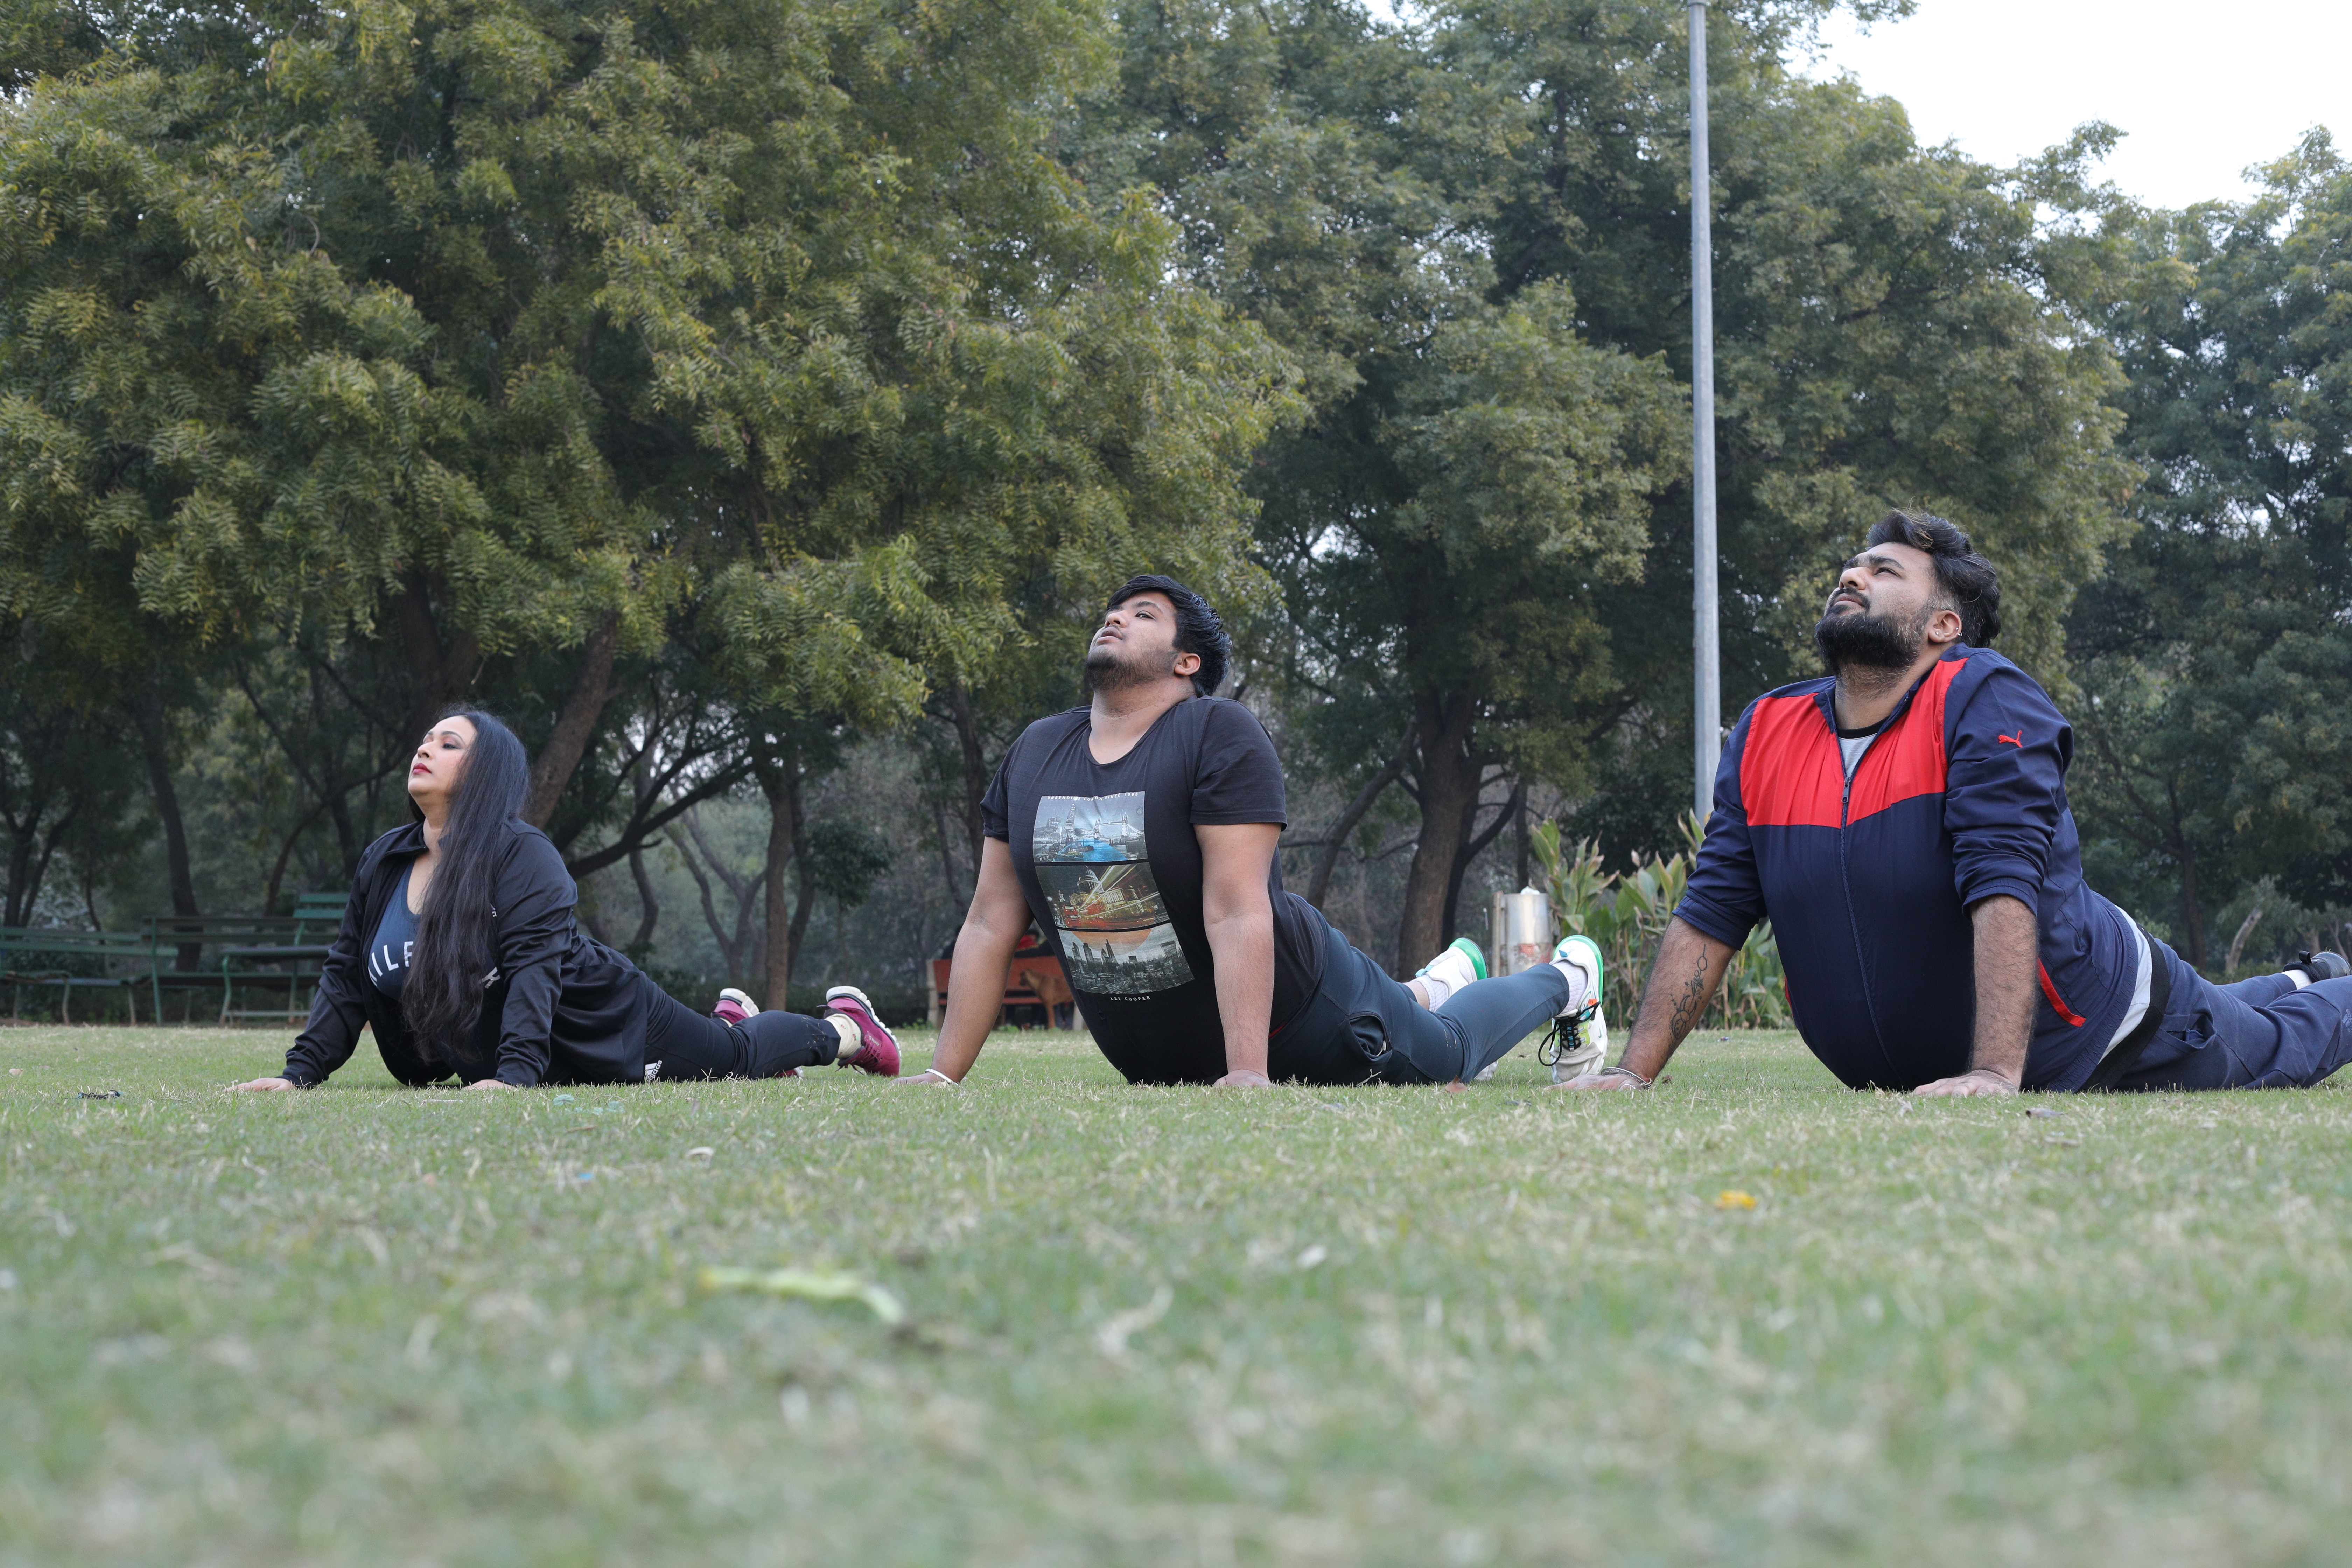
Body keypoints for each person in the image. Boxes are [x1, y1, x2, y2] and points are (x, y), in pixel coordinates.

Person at [1555, 509, 2352, 1099]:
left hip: (2116, 1029)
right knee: (2248, 1001)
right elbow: (1712, 911)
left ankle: (2324, 988)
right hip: (1914, 1065)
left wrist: (1995, 1074)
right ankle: (2304, 973)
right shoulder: (1767, 728)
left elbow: (2004, 883)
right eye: (1852, 567)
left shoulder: (1984, 696)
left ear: (1943, 625)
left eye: (1884, 572)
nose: (1852, 576)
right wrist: (1632, 1073)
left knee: (2280, 1041)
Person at [901, 575, 1606, 1089]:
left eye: (1143, 614)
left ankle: (1568, 979)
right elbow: (990, 920)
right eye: (1113, 610)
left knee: (1449, 1052)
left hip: (1306, 1020)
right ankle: (1436, 980)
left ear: (1187, 662)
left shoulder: (1217, 731)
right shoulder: (1036, 750)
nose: (1115, 617)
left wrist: (1246, 1071)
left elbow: (1237, 909)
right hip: (1161, 1063)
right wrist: (941, 1075)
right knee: (1416, 1006)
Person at [229, 709, 902, 1092]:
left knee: (736, 1060)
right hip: (513, 1056)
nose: (425, 748)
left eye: (448, 743)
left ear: (485, 771)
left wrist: (514, 1077)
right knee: (724, 1046)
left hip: (606, 1020)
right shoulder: (384, 860)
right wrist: (298, 1076)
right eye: (425, 740)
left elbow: (534, 967)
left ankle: (847, 1030)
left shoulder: (522, 854)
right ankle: (729, 1018)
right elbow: (347, 974)